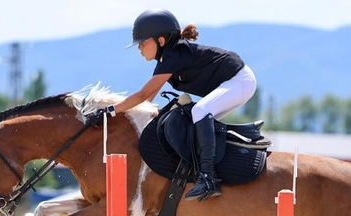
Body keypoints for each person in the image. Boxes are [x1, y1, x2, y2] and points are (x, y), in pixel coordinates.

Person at [89, 9, 257, 201]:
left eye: (143, 43)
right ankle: (200, 173)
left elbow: (143, 94)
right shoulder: (167, 60)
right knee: (194, 123)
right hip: (232, 83)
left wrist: (109, 111)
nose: (139, 49)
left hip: (240, 80)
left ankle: (208, 179)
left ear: (161, 40)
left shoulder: (176, 55)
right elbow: (148, 99)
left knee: (199, 111)